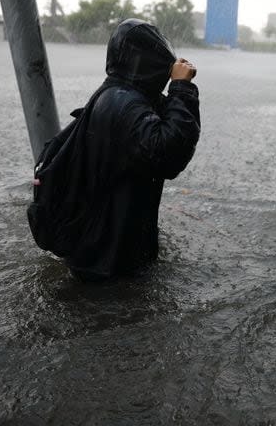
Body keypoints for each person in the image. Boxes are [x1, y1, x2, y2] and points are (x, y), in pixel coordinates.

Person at [63, 19, 201, 280]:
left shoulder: (116, 93)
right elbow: (169, 154)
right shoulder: (124, 104)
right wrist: (182, 89)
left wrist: (176, 90)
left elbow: (161, 125)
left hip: (98, 249)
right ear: (144, 61)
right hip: (109, 263)